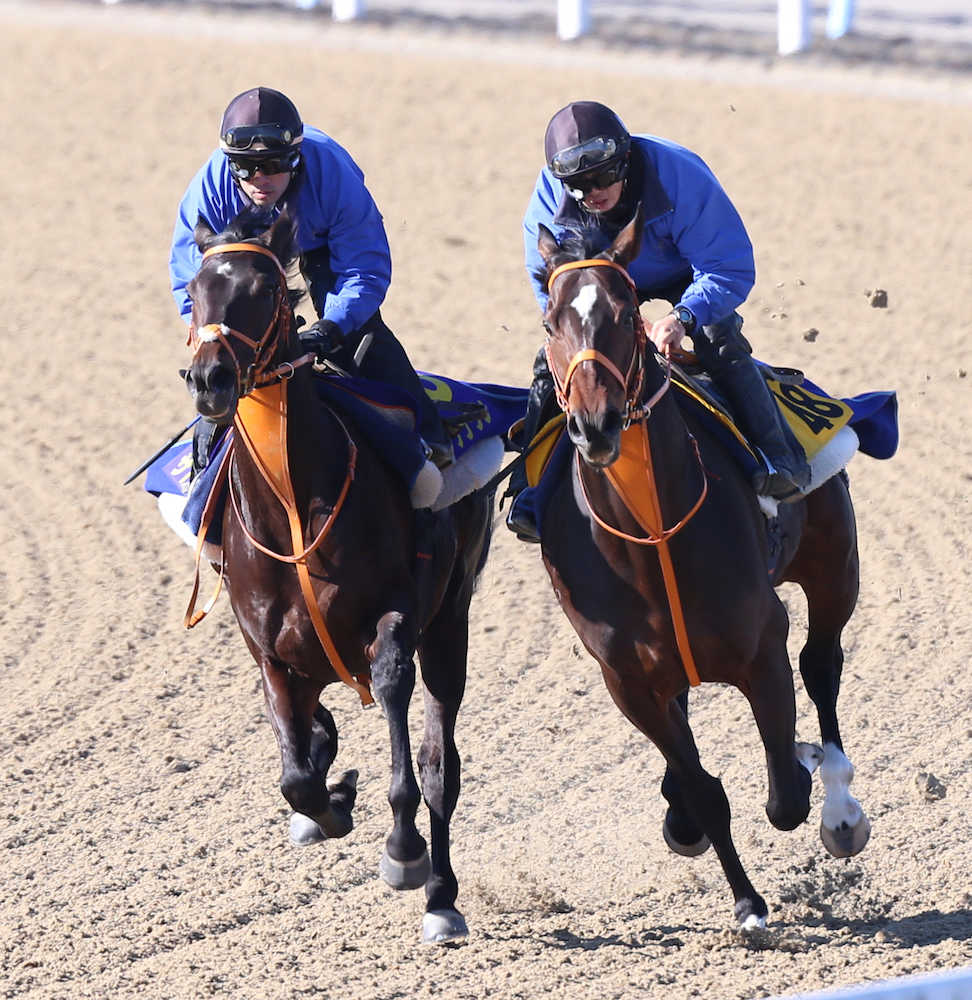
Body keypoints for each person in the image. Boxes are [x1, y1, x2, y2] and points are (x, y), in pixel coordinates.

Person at [505, 100, 810, 542]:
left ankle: (780, 460)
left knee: (716, 338)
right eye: (578, 186)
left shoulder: (679, 175)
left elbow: (729, 267)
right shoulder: (548, 199)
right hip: (597, 277)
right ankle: (529, 491)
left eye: (603, 176)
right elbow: (551, 291)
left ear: (626, 157)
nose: (592, 192)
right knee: (550, 363)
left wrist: (682, 317)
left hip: (685, 275)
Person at [169, 86, 453, 476]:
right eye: (245, 167)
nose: (259, 179)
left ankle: (430, 434)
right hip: (242, 250)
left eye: (272, 165)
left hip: (321, 243)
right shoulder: (211, 188)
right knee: (226, 348)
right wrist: (209, 334)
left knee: (359, 338)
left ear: (296, 157)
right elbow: (193, 279)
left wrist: (332, 327)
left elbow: (363, 269)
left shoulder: (334, 176)